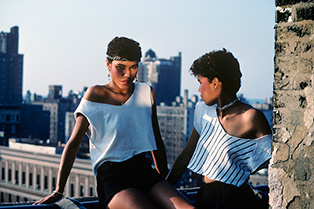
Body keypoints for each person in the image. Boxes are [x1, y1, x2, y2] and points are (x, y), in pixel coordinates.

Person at [34, 37, 195, 209]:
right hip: (112, 177)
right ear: (108, 64)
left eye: (133, 67)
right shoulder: (95, 94)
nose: (128, 74)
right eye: (121, 68)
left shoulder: (146, 92)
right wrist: (58, 190)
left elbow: (155, 137)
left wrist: (163, 181)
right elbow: (73, 144)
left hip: (143, 170)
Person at [166, 49, 272, 209]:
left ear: (215, 82)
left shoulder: (251, 117)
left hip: (235, 199)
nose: (199, 89)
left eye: (201, 82)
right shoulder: (203, 112)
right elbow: (185, 156)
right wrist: (165, 188)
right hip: (205, 195)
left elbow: (275, 164)